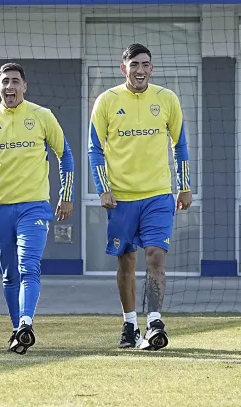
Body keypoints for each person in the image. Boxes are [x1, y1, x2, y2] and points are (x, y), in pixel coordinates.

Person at [0, 62, 74, 354]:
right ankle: (16, 330)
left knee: (29, 267)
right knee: (9, 274)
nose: (10, 87)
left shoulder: (42, 116)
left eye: (15, 81)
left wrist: (66, 195)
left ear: (24, 86)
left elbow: (65, 154)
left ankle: (26, 321)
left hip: (34, 206)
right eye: (5, 82)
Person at [88, 43, 190, 351]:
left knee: (156, 257)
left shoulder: (167, 99)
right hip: (121, 198)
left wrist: (184, 186)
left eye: (146, 64)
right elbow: (95, 149)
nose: (141, 70)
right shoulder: (106, 101)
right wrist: (102, 188)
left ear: (152, 68)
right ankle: (130, 324)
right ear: (124, 69)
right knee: (127, 262)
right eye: (135, 64)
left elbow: (180, 145)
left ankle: (155, 320)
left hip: (159, 194)